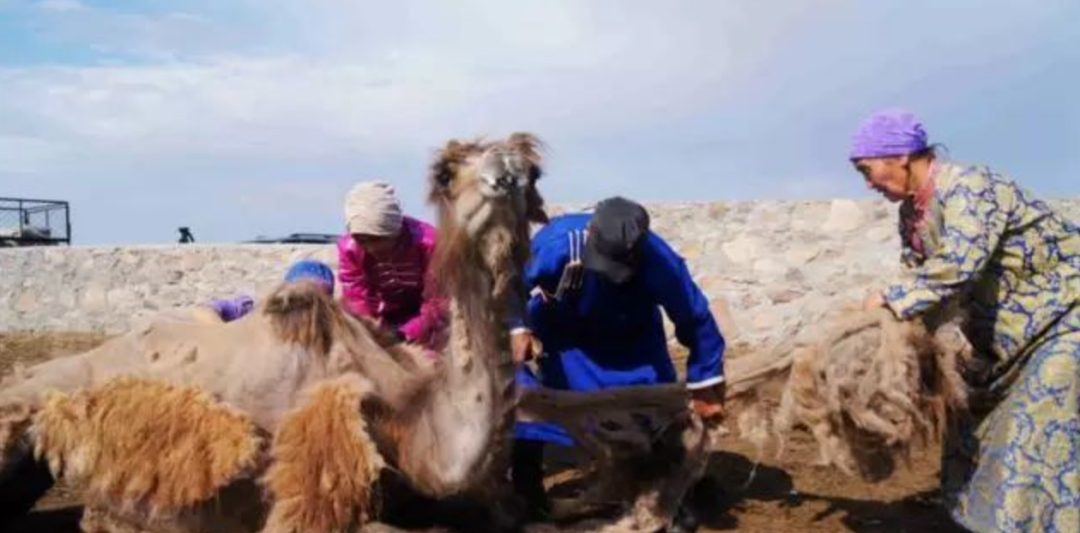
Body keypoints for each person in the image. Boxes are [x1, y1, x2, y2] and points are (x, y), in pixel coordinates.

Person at [853, 109, 1080, 533]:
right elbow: (931, 289)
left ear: (900, 156)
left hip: (1065, 322)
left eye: (868, 171)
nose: (868, 184)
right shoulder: (912, 216)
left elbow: (960, 264)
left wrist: (891, 299)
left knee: (1034, 432)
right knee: (966, 422)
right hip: (1005, 344)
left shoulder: (970, 188)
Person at [509, 196, 726, 526]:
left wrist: (707, 381)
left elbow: (695, 318)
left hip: (632, 336)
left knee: (656, 415)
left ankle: (665, 493)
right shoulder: (558, 242)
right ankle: (526, 488)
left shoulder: (659, 261)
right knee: (532, 401)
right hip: (563, 334)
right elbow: (511, 285)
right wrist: (517, 327)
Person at [337, 181, 448, 349]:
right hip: (383, 318)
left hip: (428, 321)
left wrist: (407, 333)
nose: (370, 247)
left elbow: (440, 300)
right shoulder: (350, 249)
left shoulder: (429, 244)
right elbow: (357, 298)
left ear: (394, 231)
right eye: (361, 240)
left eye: (377, 239)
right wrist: (370, 331)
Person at [191, 259, 336, 324]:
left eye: (319, 301)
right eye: (302, 298)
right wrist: (227, 336)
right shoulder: (252, 307)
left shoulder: (329, 327)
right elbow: (203, 310)